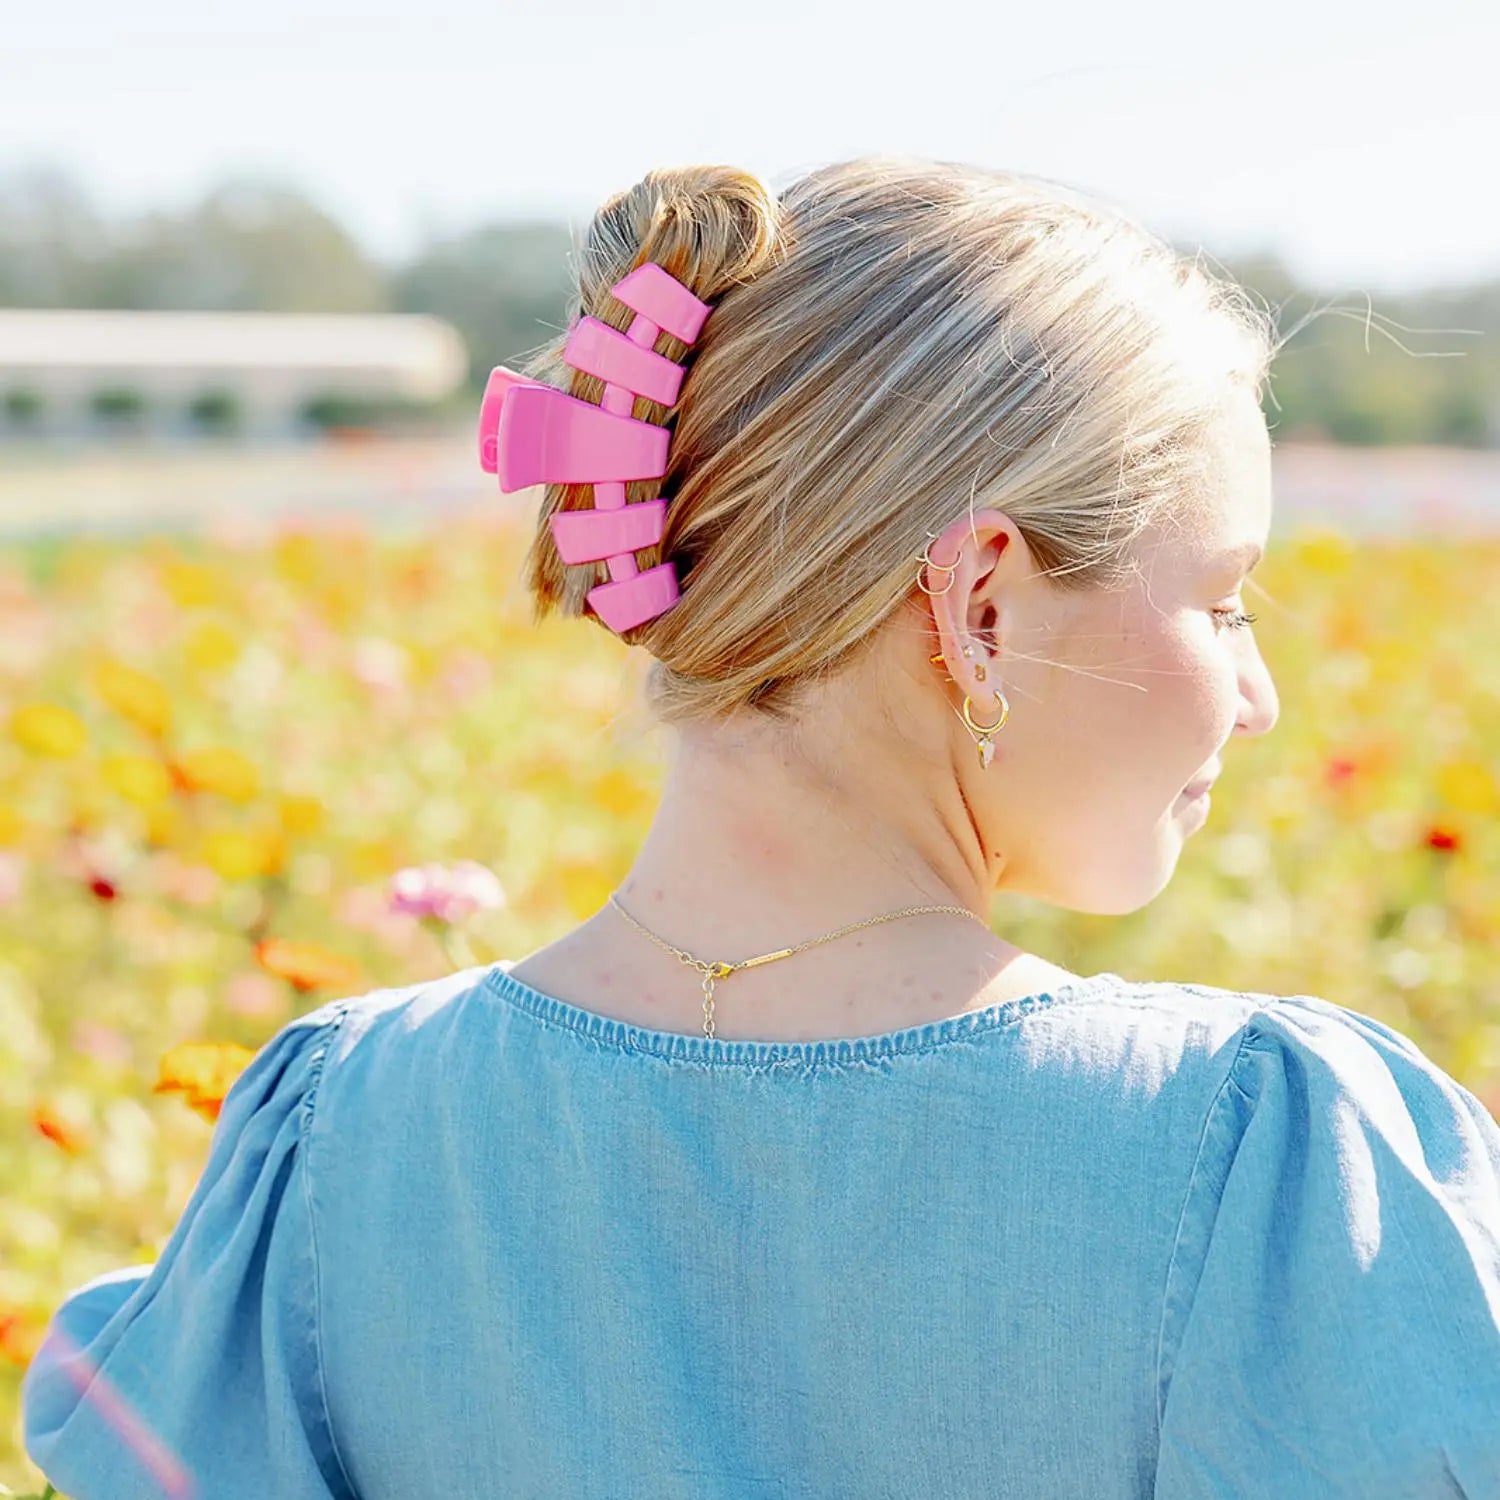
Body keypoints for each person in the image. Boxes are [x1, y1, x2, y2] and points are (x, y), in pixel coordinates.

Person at [22, 156, 1500, 1498]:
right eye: (1224, 598)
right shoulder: (1263, 1162)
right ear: (981, 604)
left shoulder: (336, 1138)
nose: (1258, 697)